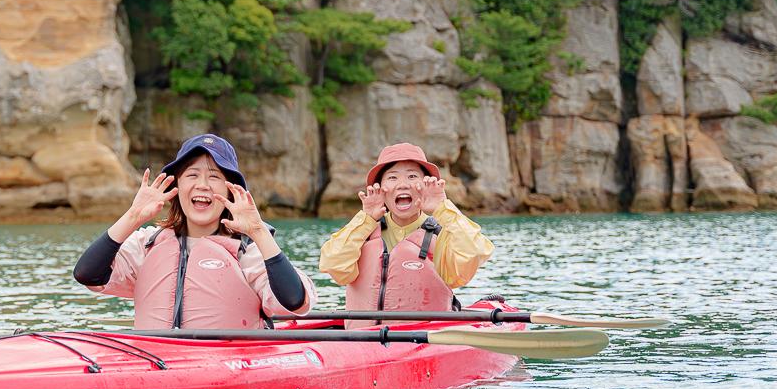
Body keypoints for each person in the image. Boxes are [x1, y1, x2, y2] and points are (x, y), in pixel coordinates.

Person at [73, 133, 316, 329]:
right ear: (177, 185)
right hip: (158, 363)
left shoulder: (248, 252)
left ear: (231, 190)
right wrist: (133, 216)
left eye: (214, 176)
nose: (202, 185)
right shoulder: (147, 244)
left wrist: (258, 232)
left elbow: (294, 302)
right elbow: (87, 275)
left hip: (226, 371)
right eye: (192, 175)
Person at [318, 142, 494, 317]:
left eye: (412, 177)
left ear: (425, 185)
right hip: (366, 340)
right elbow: (333, 265)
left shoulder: (443, 232)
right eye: (392, 178)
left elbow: (475, 254)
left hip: (424, 340)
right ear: (380, 188)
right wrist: (366, 219)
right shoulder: (363, 232)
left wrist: (442, 208)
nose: (403, 185)